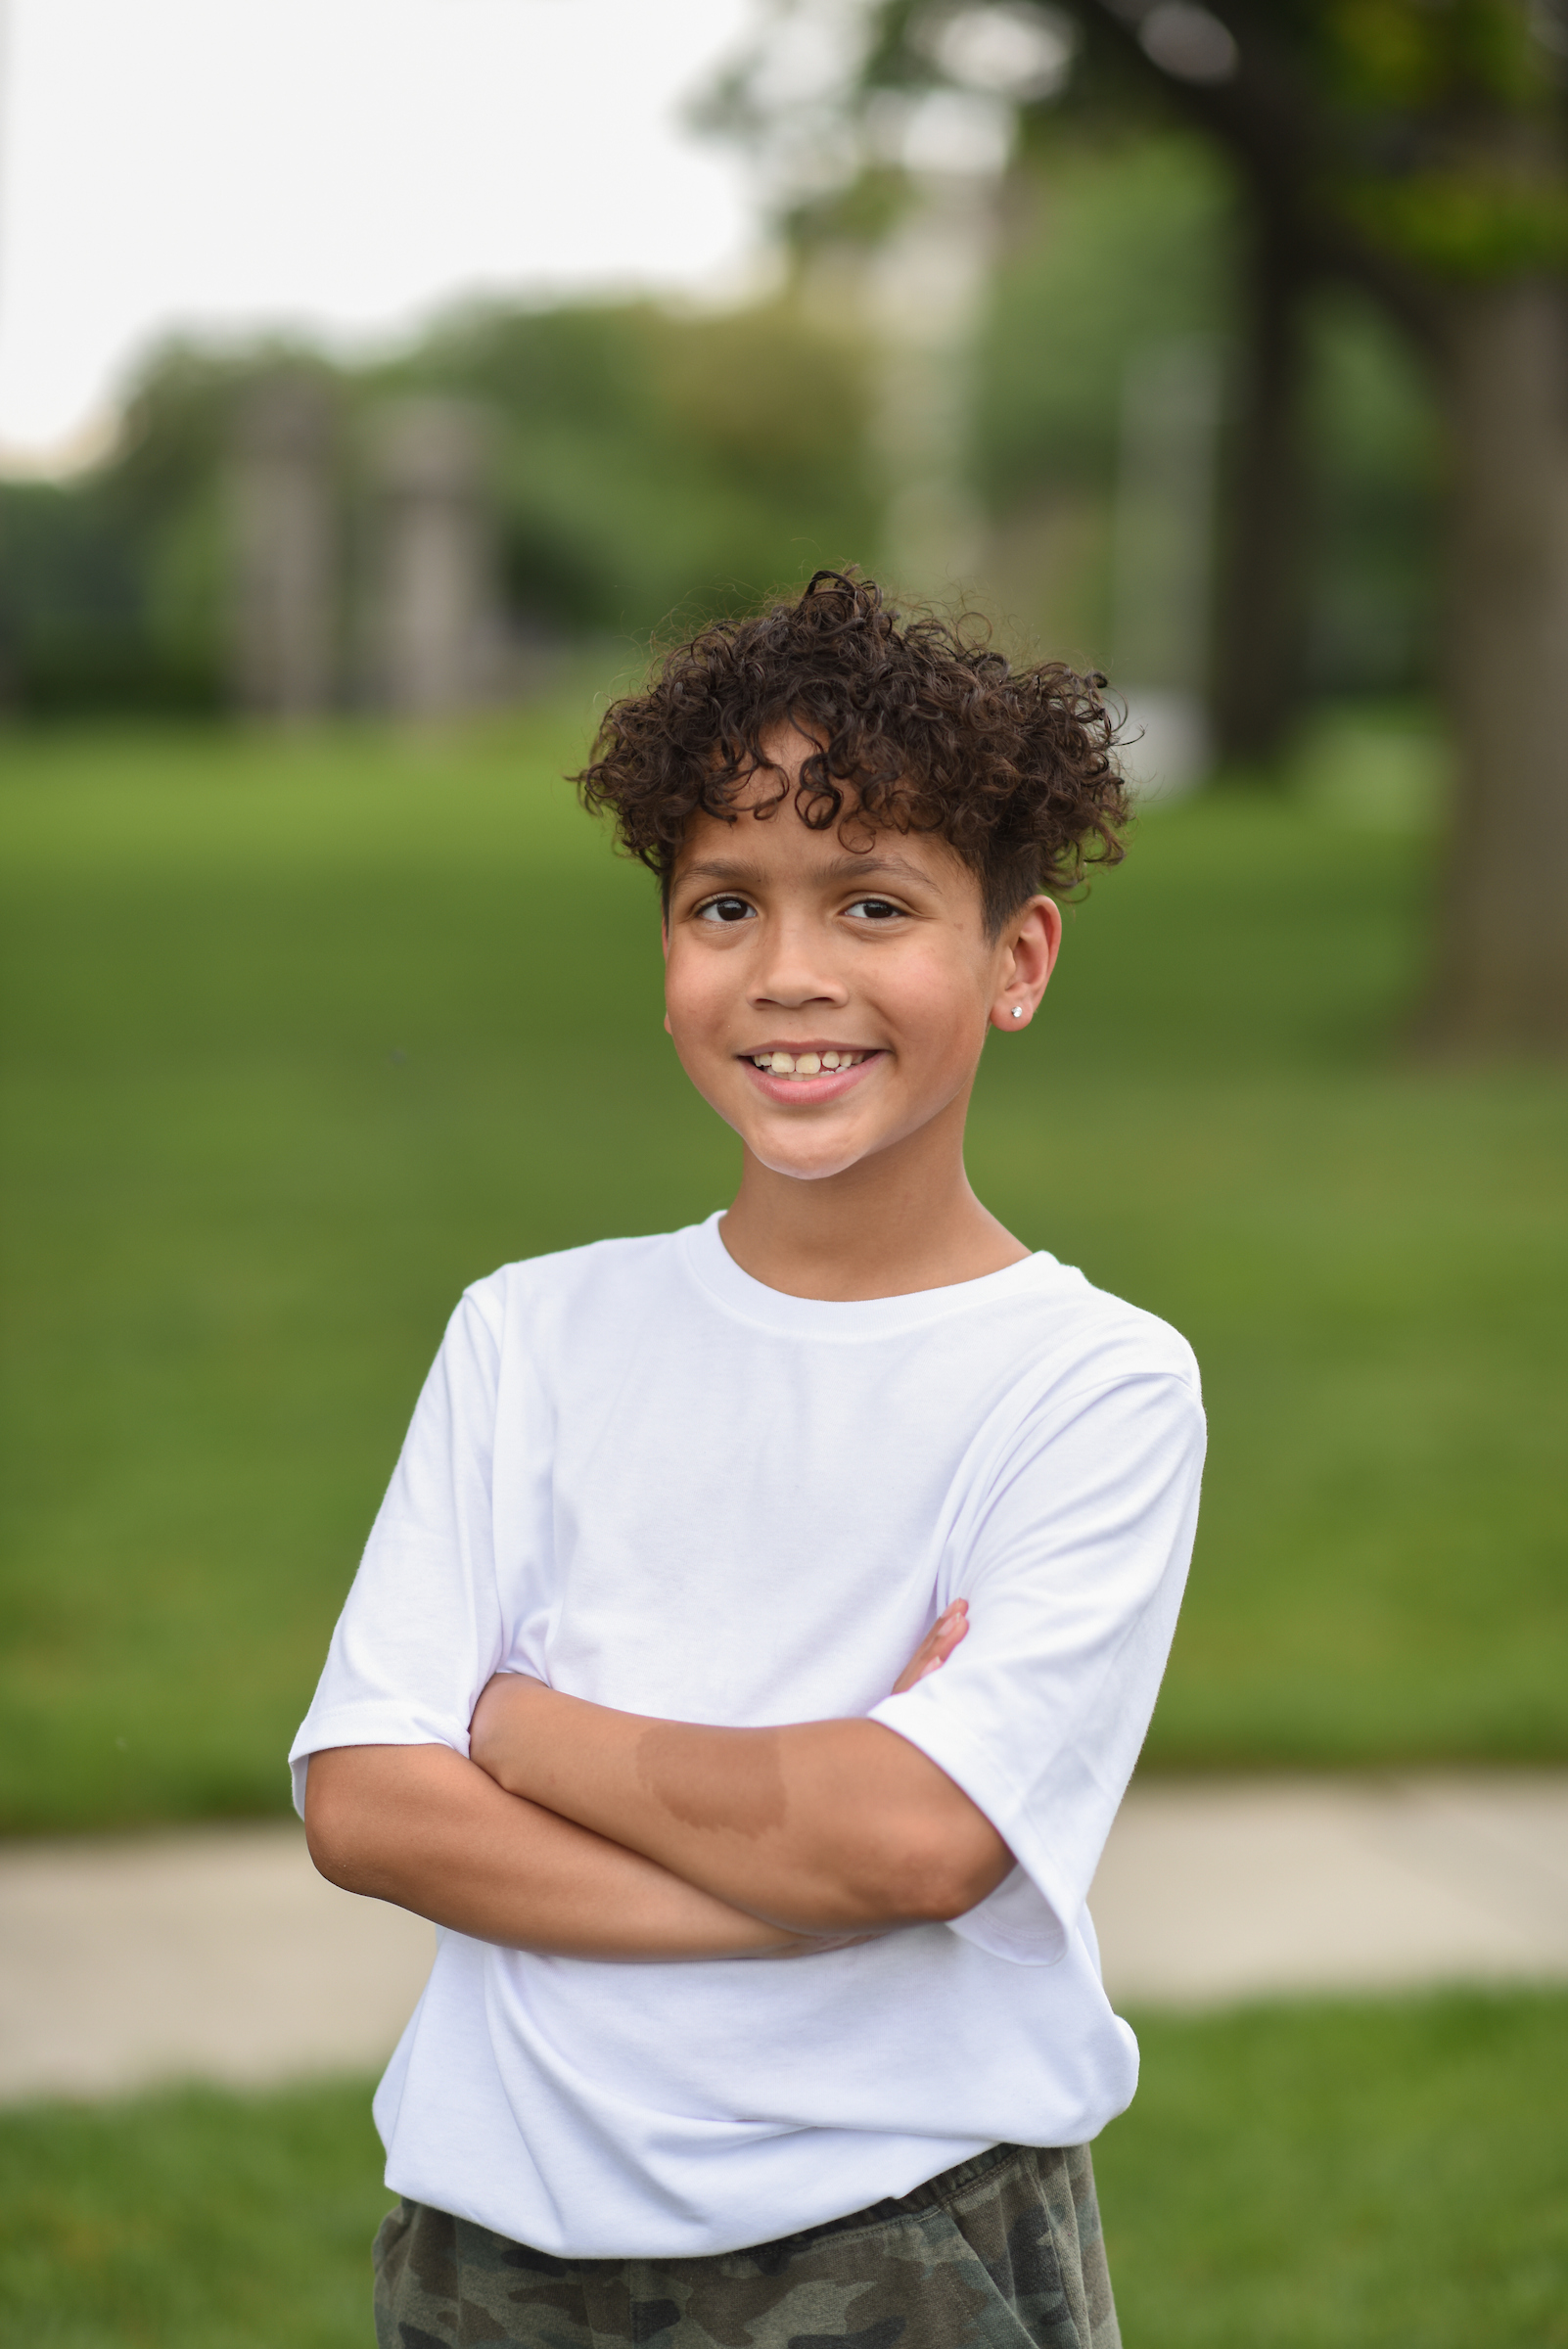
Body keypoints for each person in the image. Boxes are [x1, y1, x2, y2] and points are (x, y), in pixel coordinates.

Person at [294, 571, 1205, 2349]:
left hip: (897, 2241)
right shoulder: (528, 1335)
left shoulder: (1088, 1384)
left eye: (873, 904)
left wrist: (517, 1728)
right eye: (726, 904)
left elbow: (914, 1842)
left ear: (1012, 962)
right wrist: (792, 1892)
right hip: (489, 2250)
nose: (792, 974)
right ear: (665, 957)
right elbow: (366, 1806)